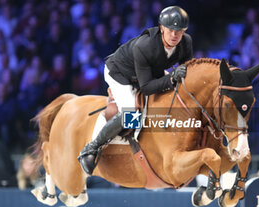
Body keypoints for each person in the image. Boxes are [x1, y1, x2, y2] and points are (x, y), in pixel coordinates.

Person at [78, 6, 193, 175]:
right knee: (131, 112)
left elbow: (185, 72)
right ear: (162, 28)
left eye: (179, 31)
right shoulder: (145, 46)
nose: (175, 35)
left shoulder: (186, 42)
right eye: (170, 30)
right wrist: (171, 78)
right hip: (120, 73)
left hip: (150, 71)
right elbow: (146, 88)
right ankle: (91, 148)